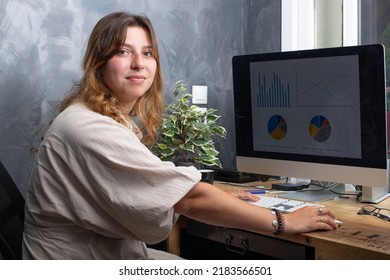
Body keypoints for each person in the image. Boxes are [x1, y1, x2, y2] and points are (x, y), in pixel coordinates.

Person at [22, 11, 340, 260]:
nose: (139, 63)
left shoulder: (100, 116)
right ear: (100, 64)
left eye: (147, 53)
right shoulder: (88, 127)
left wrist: (218, 196)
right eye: (123, 51)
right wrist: (283, 221)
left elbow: (160, 191)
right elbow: (187, 199)